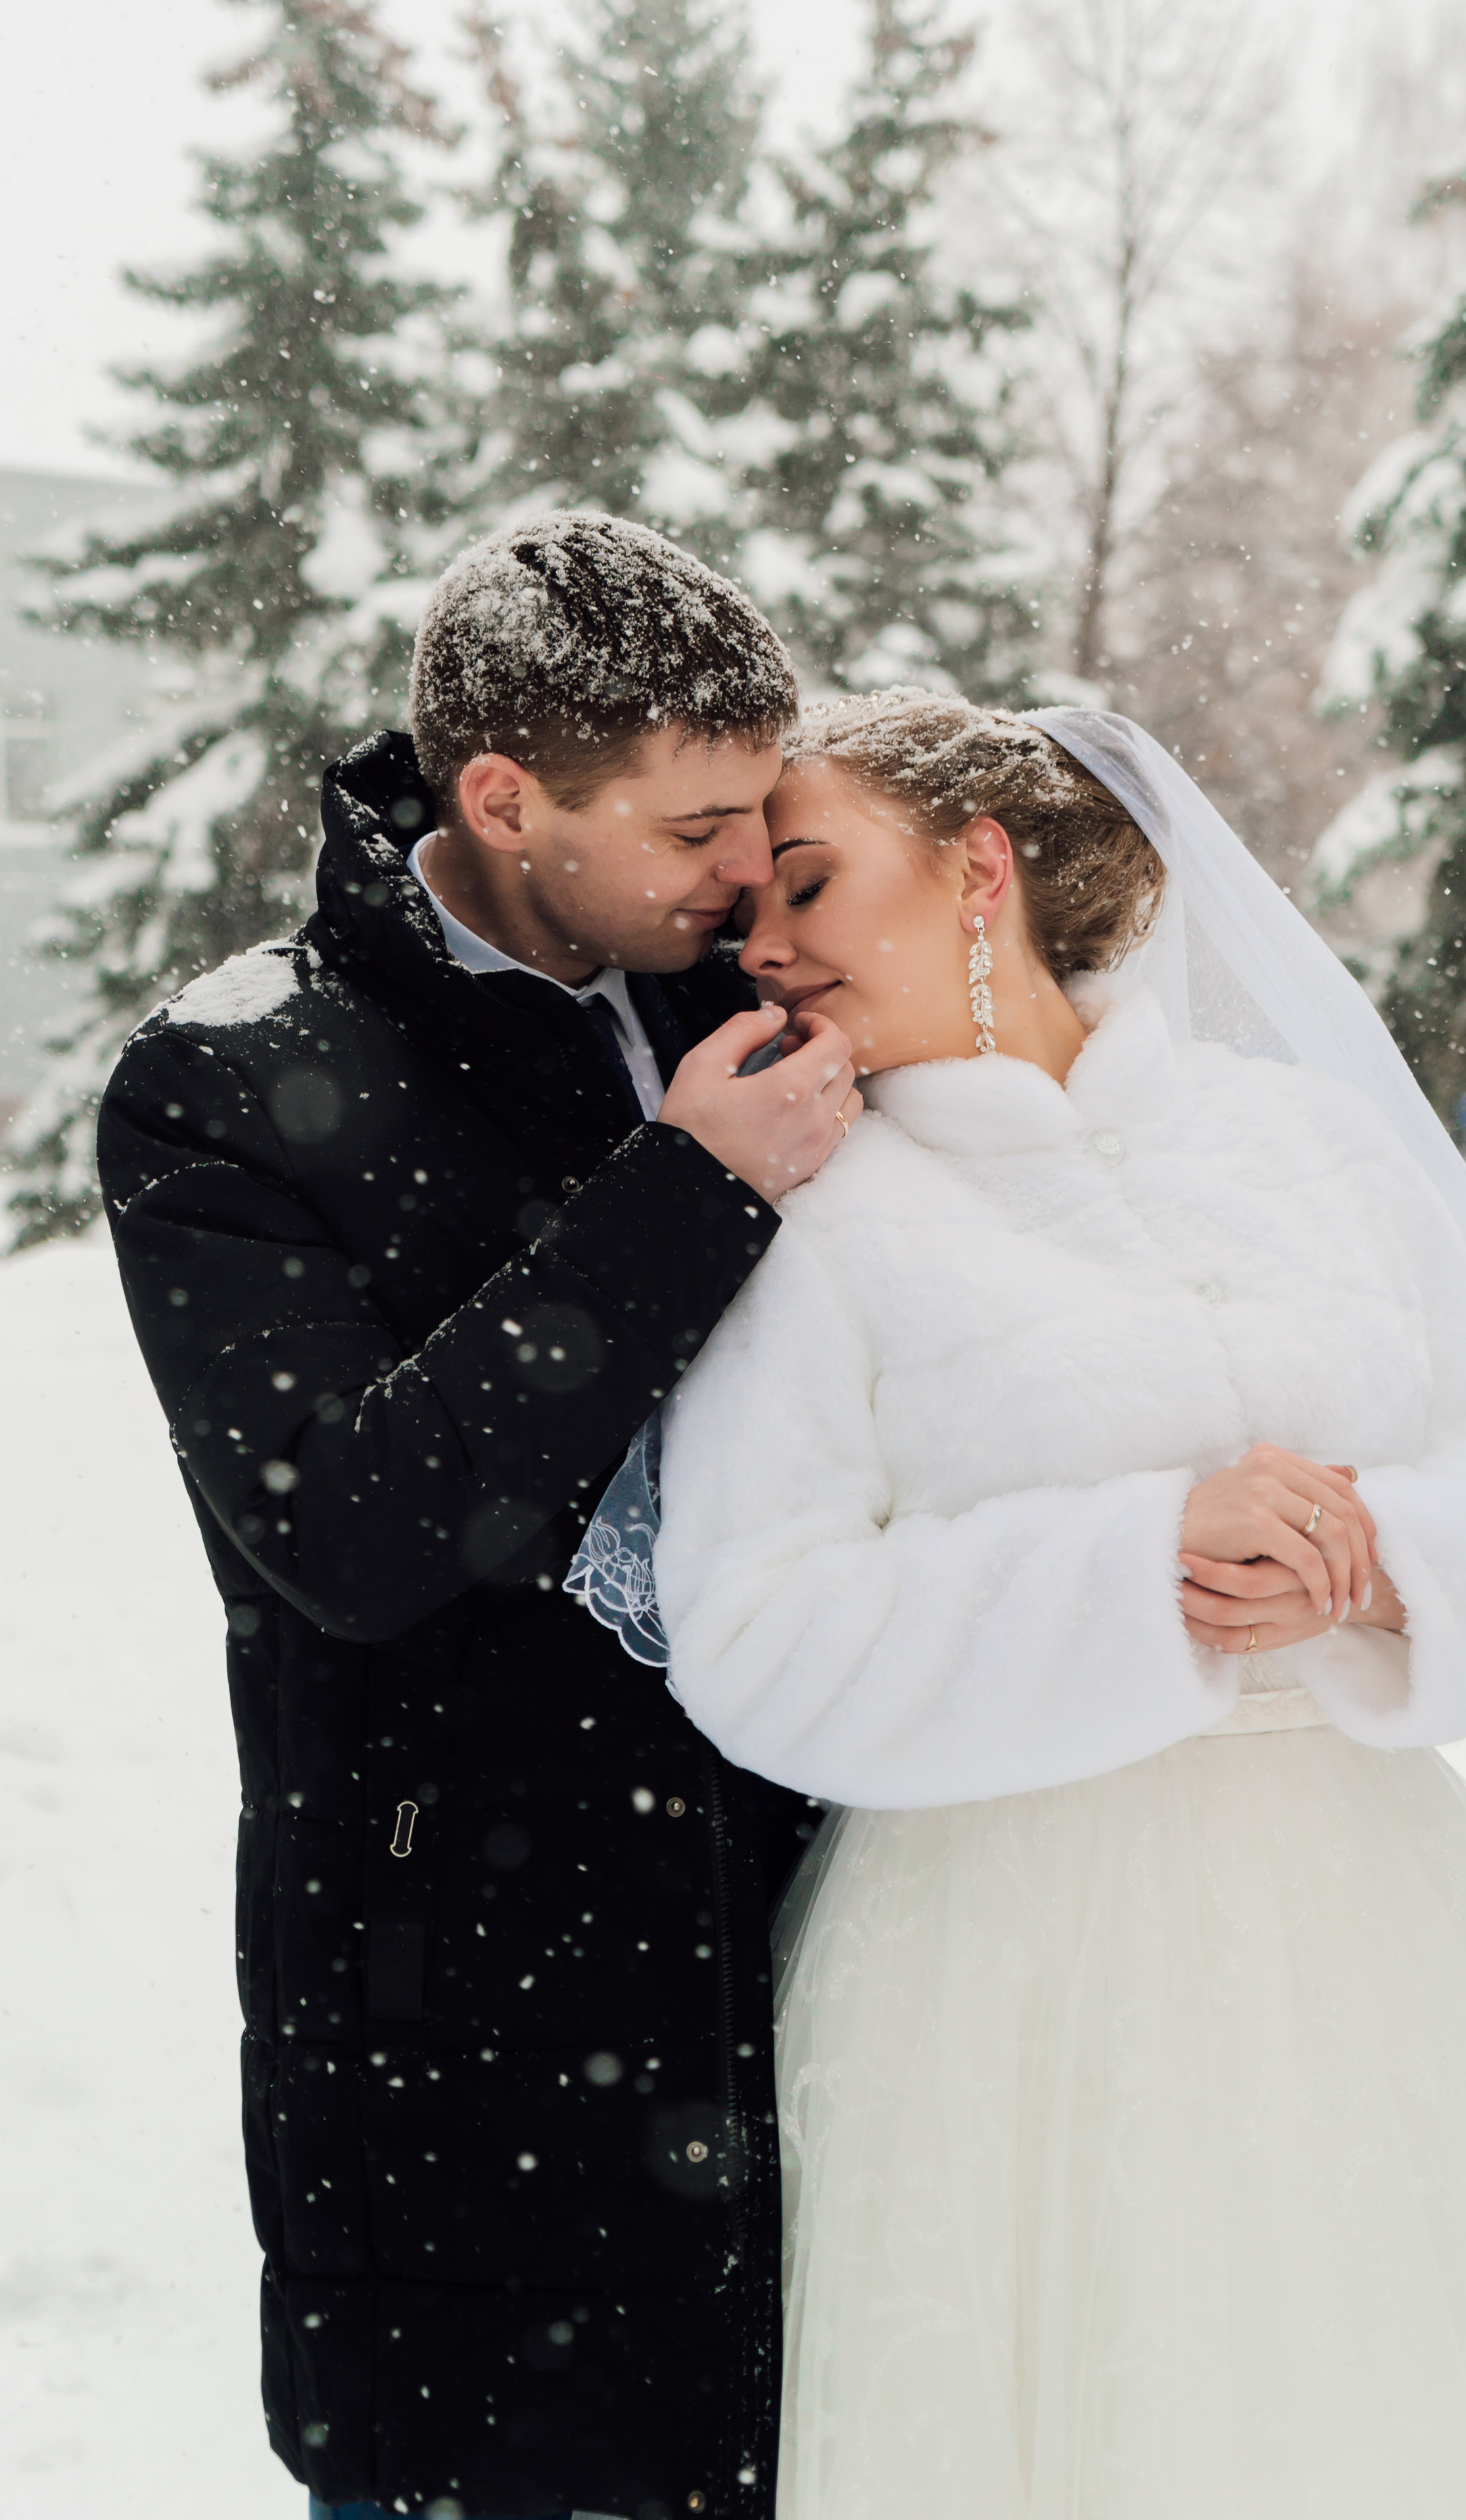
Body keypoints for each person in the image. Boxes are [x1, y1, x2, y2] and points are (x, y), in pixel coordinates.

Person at [610, 690, 1466, 2515]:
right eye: (747, 916)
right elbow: (758, 1627)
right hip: (1001, 1969)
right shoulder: (814, 1212)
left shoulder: (1308, 1147)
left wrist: (1381, 1553)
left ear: (983, 867)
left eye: (806, 880)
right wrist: (1139, 1565)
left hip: (1372, 1924)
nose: (766, 945)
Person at [96, 512, 861, 2520]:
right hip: (471, 2008)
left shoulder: (748, 993)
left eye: (760, 814)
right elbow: (340, 1528)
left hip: (816, 1954)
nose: (743, 869)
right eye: (697, 822)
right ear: (507, 798)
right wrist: (687, 1194)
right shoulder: (228, 1079)